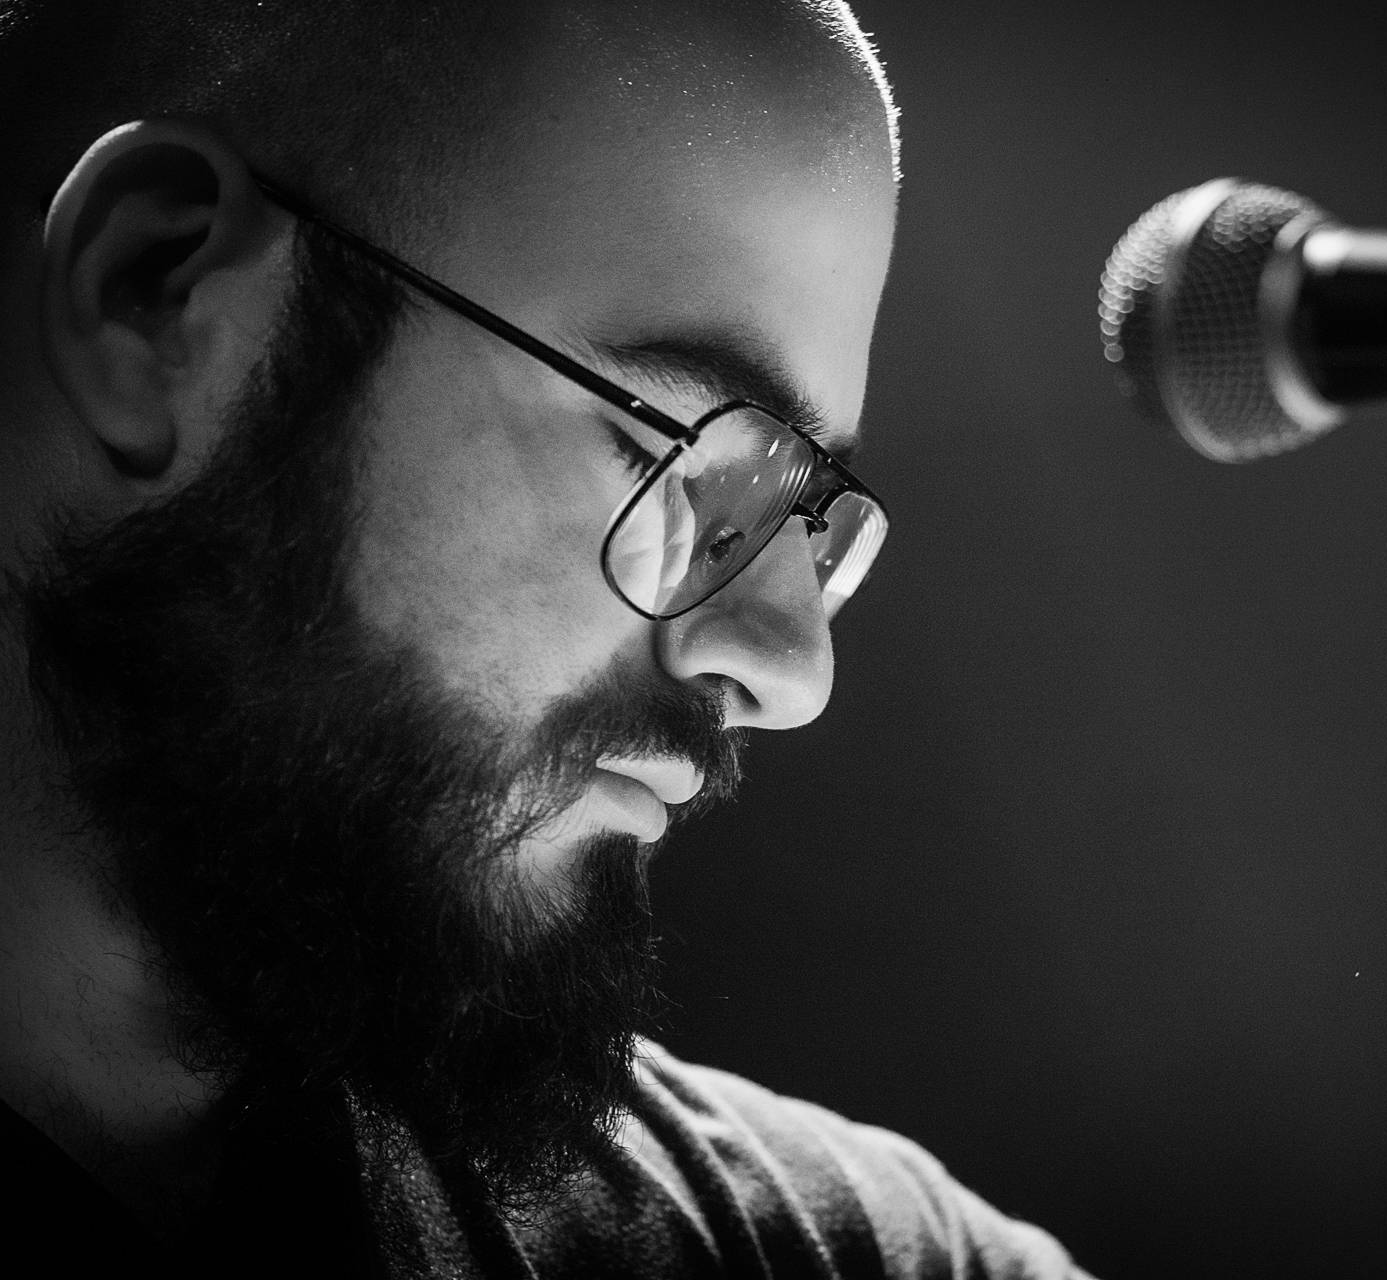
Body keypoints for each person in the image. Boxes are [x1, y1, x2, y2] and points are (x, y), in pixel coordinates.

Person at [0, 1, 1089, 1274]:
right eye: (683, 456)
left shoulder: (779, 1247)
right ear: (153, 297)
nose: (793, 669)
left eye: (805, 514)